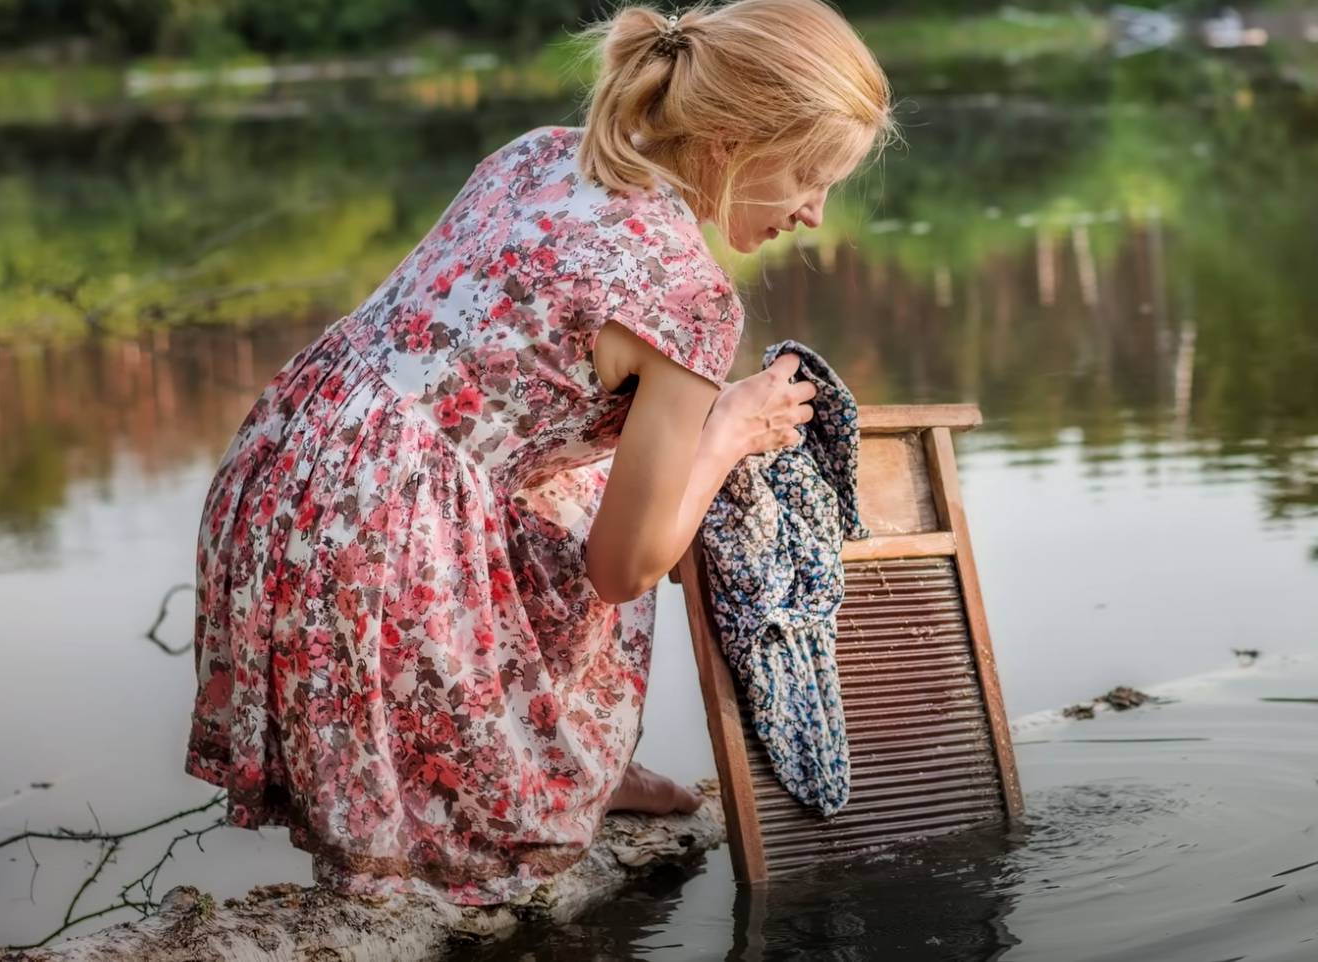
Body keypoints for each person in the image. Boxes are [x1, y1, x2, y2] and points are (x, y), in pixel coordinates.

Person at [185, 0, 894, 905]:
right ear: (726, 140)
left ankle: (588, 764)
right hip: (375, 553)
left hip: (287, 481)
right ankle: (539, 778)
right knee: (646, 492)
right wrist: (729, 432)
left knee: (594, 464)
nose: (813, 213)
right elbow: (623, 570)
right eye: (806, 176)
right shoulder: (688, 296)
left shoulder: (543, 152)